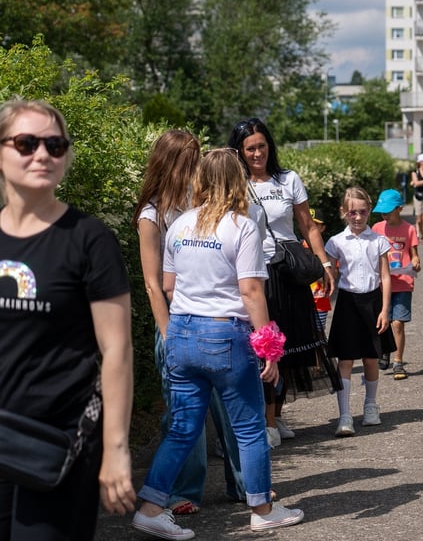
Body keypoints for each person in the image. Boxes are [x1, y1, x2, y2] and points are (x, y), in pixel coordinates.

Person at [131, 148, 304, 540]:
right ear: (236, 181)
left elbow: (169, 287)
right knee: (248, 428)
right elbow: (252, 291)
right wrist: (268, 349)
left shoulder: (179, 225)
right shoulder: (241, 226)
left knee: (182, 429)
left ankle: (151, 507)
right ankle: (262, 508)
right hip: (226, 335)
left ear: (202, 180)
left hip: (181, 333)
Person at [0, 99, 136, 538]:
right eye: (26, 143)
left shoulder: (88, 240)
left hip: (56, 445)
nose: (42, 154)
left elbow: (116, 350)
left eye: (55, 145)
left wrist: (115, 451)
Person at [132, 130, 248, 513]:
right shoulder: (151, 214)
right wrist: (167, 333)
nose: (197, 166)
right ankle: (184, 491)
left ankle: (244, 485)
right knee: (186, 418)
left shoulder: (199, 204)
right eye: (190, 159)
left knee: (229, 409)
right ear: (171, 164)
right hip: (177, 325)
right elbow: (153, 284)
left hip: (213, 321)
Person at [228, 118, 340, 447]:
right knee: (262, 346)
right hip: (252, 272)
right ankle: (269, 420)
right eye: (250, 148)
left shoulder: (287, 179)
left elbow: (307, 224)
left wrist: (324, 264)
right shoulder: (233, 183)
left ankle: (275, 416)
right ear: (239, 152)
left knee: (285, 345)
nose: (257, 153)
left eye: (262, 146)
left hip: (287, 271)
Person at [325, 187, 397, 436]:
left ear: (369, 211)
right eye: (352, 212)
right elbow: (330, 273)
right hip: (347, 303)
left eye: (362, 212)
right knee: (345, 359)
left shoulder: (378, 241)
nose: (357, 217)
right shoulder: (335, 242)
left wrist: (385, 310)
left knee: (371, 358)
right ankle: (344, 415)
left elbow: (386, 277)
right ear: (344, 212)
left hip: (373, 302)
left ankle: (370, 406)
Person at [371, 188, 421, 380]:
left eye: (389, 211)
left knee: (398, 323)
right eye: (382, 212)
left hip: (402, 283)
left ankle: (398, 362)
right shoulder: (377, 229)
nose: (385, 215)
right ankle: (385, 350)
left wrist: (415, 263)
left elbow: (415, 257)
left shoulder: (409, 230)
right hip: (382, 284)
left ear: (399, 209)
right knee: (382, 323)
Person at [306, 208, 332, 333]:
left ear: (323, 228)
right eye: (308, 223)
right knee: (306, 333)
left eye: (315, 224)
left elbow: (333, 273)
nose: (311, 227)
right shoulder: (297, 246)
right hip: (303, 298)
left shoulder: (327, 248)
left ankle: (321, 353)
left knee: (319, 332)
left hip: (321, 298)